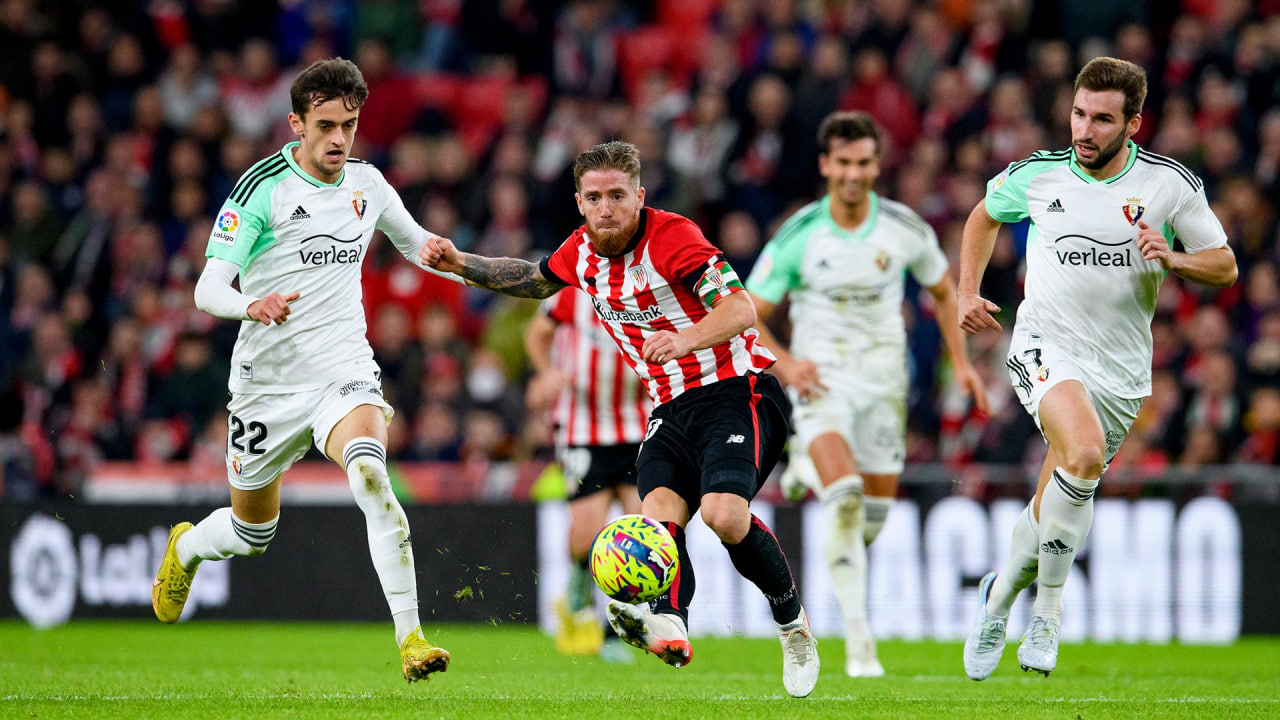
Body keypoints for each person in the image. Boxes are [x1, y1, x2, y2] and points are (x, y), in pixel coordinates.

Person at [421, 140, 821, 698]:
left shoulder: (674, 237)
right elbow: (532, 278)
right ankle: (670, 625)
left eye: (616, 196)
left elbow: (740, 308)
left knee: (724, 515)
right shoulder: (581, 252)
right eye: (594, 198)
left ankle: (793, 625)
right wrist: (460, 263)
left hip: (737, 390)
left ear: (639, 196)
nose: (605, 208)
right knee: (657, 521)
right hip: (668, 409)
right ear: (579, 203)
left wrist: (684, 337)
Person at [150, 58, 458, 684]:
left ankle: (412, 639)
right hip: (266, 386)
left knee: (372, 476)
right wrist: (250, 304)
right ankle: (184, 548)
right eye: (325, 125)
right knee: (250, 533)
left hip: (342, 372)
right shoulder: (260, 189)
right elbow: (207, 290)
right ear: (297, 124)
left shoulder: (369, 185)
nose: (339, 139)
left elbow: (416, 244)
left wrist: (448, 256)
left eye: (348, 124)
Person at [959, 57, 1236, 679]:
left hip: (1122, 370)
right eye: (1079, 114)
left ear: (1134, 124)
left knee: (1057, 497)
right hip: (1043, 343)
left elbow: (1224, 264)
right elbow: (983, 215)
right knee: (1081, 453)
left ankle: (999, 597)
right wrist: (964, 292)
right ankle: (1049, 614)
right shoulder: (1038, 175)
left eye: (1102, 120)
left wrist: (1175, 259)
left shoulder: (1169, 185)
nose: (1084, 129)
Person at [745, 110, 990, 677]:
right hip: (821, 381)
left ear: (877, 165)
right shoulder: (799, 235)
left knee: (869, 520)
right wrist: (785, 364)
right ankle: (859, 643)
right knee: (848, 497)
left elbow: (944, 292)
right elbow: (746, 313)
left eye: (864, 162)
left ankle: (804, 465)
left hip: (884, 385)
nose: (854, 174)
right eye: (844, 162)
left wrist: (962, 367)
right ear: (826, 165)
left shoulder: (904, 228)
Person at [524, 286, 651, 660]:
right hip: (583, 429)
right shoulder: (572, 291)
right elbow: (536, 332)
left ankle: (616, 631)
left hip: (638, 425)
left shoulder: (645, 289)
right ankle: (577, 591)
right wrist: (545, 373)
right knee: (586, 536)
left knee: (640, 534)